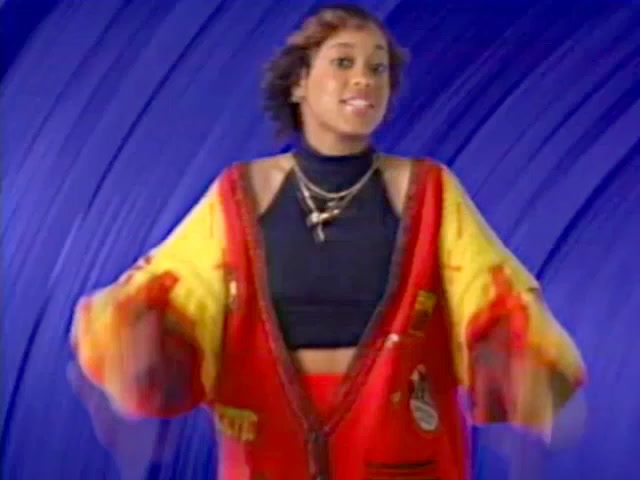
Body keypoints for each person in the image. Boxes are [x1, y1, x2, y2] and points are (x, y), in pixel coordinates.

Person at [69, 4, 587, 480]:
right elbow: (178, 292)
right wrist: (141, 340)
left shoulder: (432, 190)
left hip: (402, 453)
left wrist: (522, 366)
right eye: (343, 62)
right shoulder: (237, 193)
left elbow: (488, 293)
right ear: (298, 82)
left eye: (378, 68)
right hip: (268, 455)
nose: (364, 78)